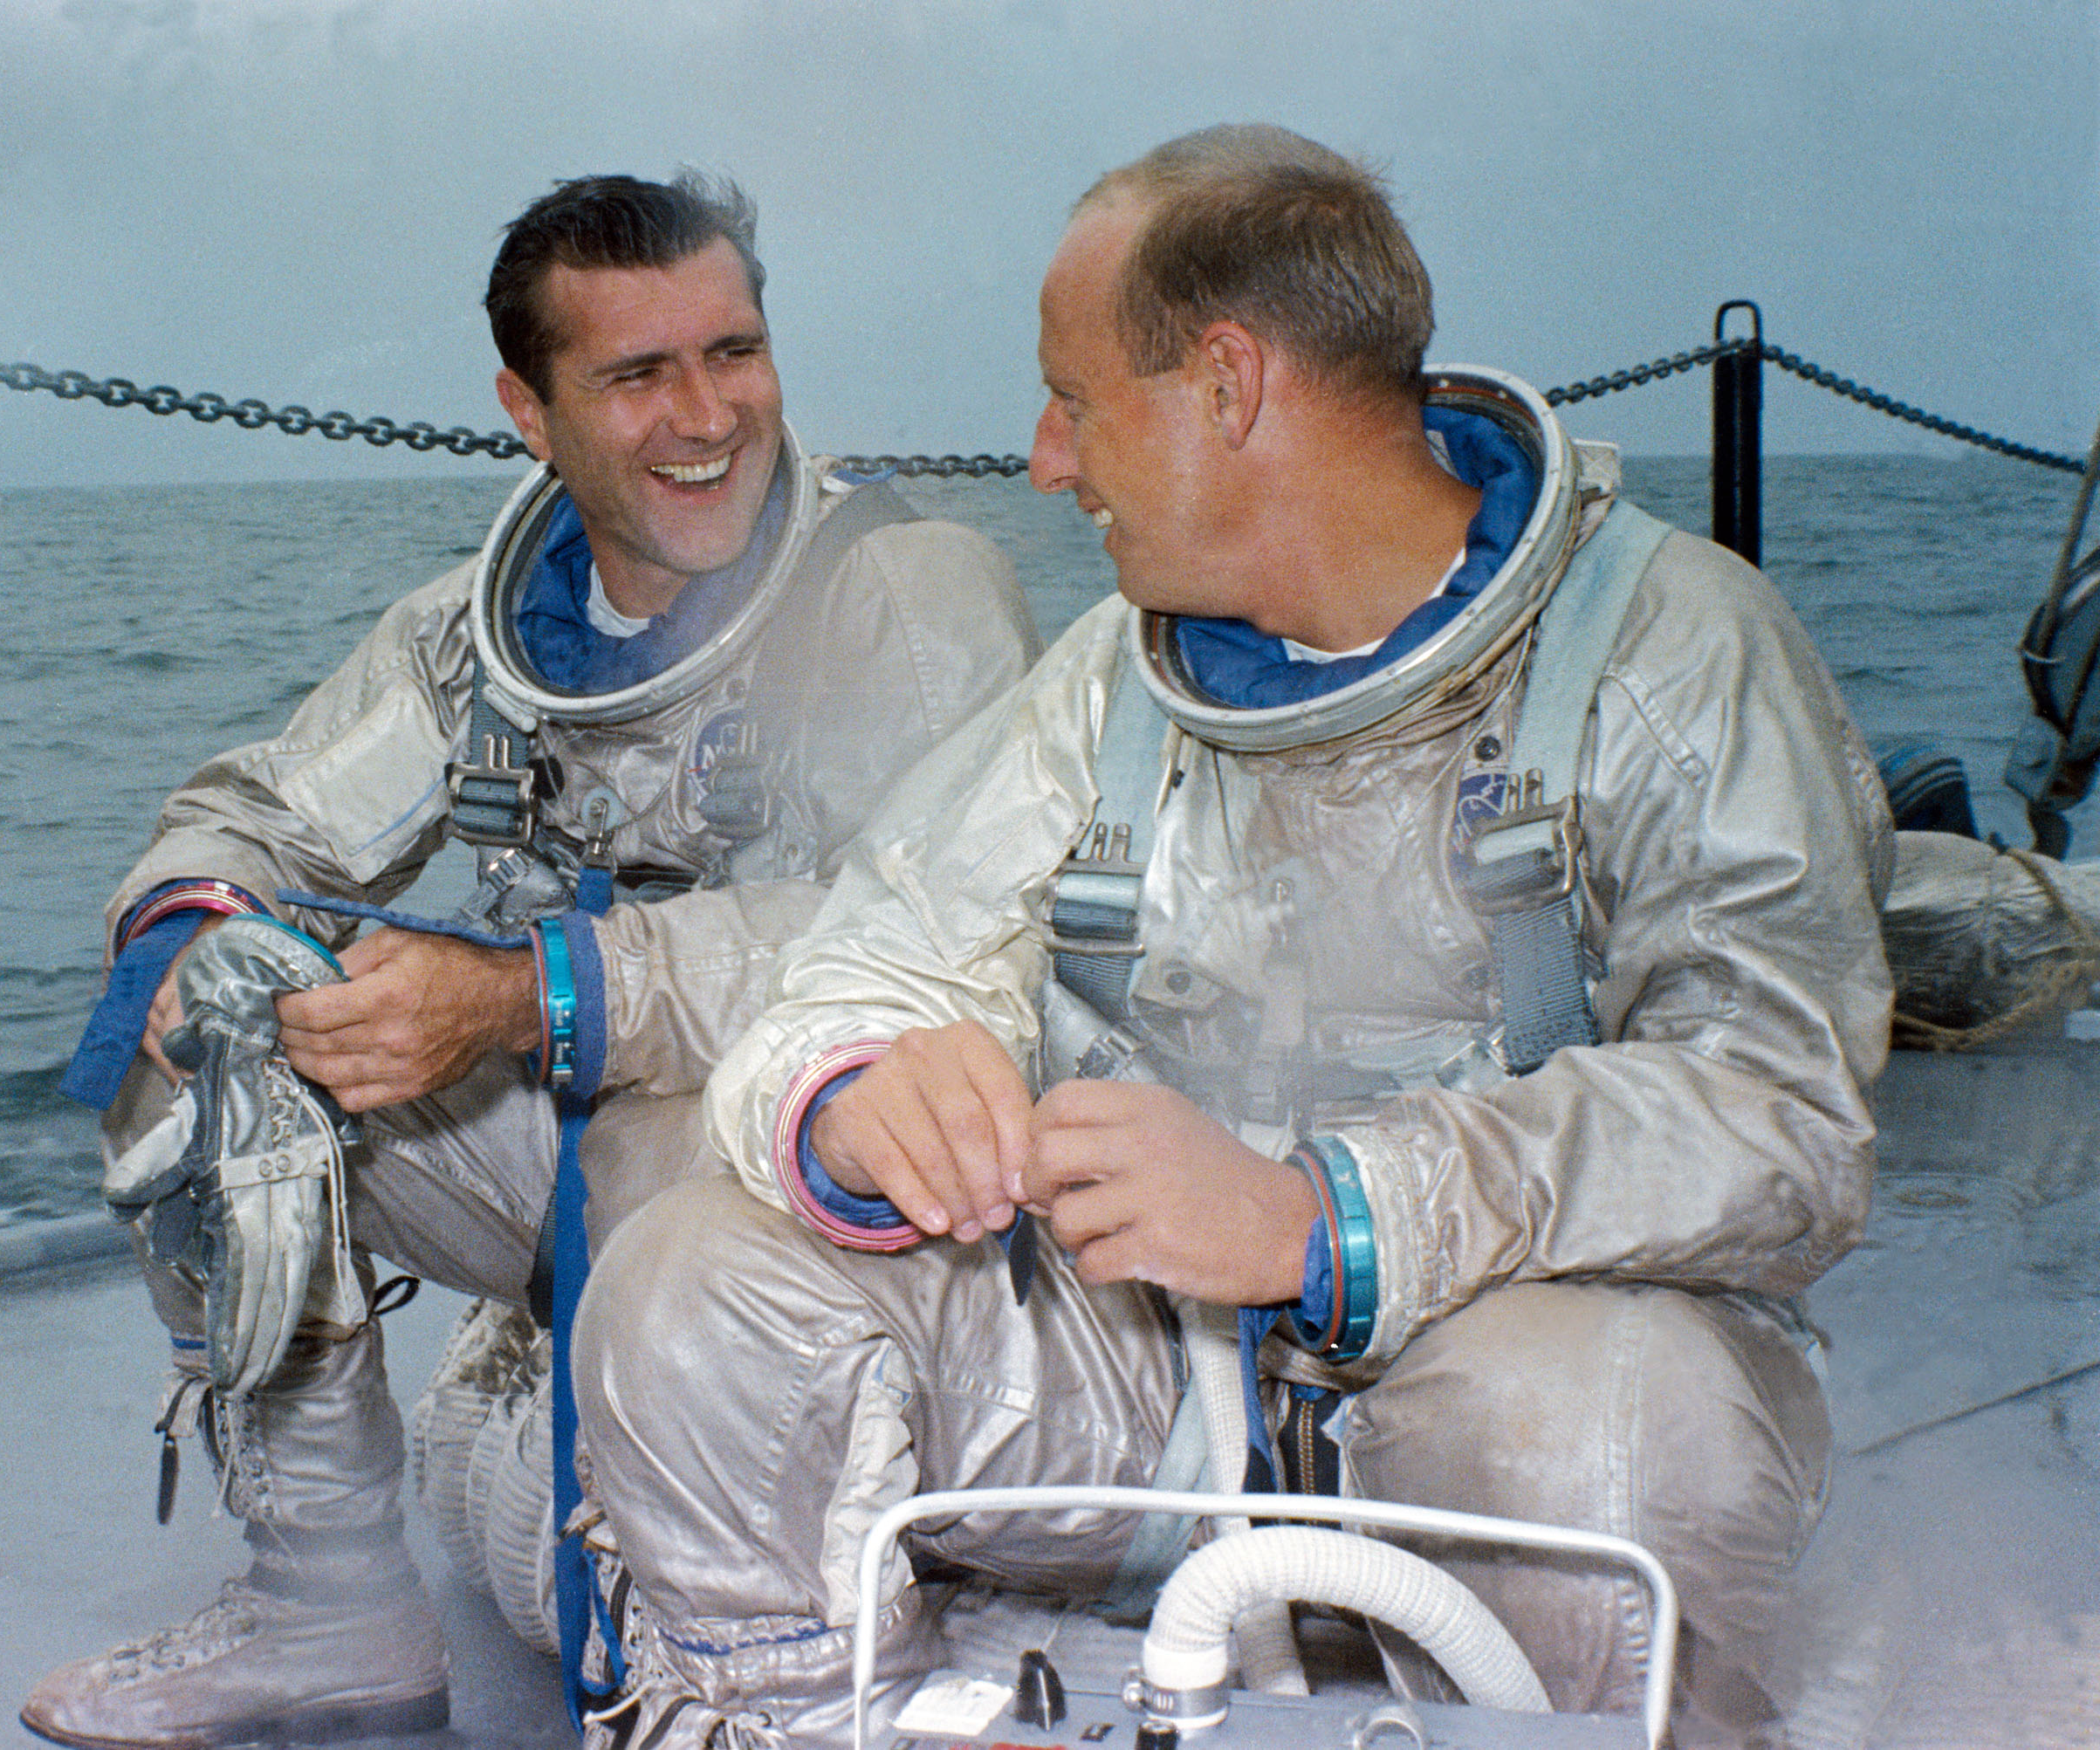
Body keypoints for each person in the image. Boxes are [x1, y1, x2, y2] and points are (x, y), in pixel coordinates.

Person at [574, 125, 1890, 1750]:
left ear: (1227, 385)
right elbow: (873, 954)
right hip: (1155, 1389)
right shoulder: (1112, 684)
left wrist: (1321, 1218)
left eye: (1075, 399)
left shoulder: (1676, 655)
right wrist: (852, 1091)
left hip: (1501, 1375)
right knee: (691, 1284)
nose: (1048, 460)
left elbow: (1780, 1113)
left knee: (1599, 1429)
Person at [23, 171, 1034, 1750]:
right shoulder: (476, 643)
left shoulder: (907, 595)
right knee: (202, 1050)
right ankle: (327, 1608)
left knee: (645, 1260)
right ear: (529, 407)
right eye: (638, 374)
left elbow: (930, 934)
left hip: (844, 1189)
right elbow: (249, 815)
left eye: (736, 351)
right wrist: (187, 936)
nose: (708, 414)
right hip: (582, 1172)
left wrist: (520, 996)